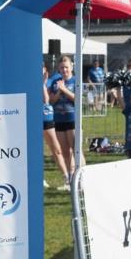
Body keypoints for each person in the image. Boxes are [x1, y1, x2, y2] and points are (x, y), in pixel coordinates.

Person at [49, 55, 82, 183]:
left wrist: (64, 90)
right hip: (59, 120)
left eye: (66, 67)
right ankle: (71, 178)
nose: (64, 70)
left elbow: (78, 99)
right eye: (62, 68)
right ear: (58, 69)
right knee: (65, 152)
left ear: (71, 67)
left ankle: (82, 178)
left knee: (76, 150)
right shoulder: (55, 83)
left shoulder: (75, 81)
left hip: (72, 119)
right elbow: (51, 101)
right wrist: (58, 91)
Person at [42, 64, 70, 190]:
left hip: (46, 117)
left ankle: (67, 178)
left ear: (45, 70)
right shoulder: (28, 80)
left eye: (41, 68)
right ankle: (40, 178)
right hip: (33, 117)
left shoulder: (51, 81)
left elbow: (47, 100)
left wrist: (42, 84)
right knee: (36, 151)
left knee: (57, 149)